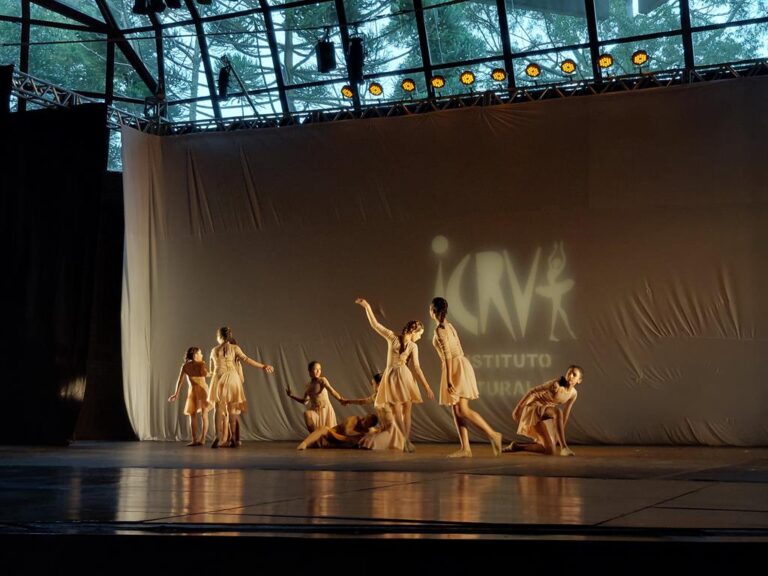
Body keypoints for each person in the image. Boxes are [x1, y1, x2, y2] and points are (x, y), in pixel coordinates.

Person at [355, 298, 434, 452]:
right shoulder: (411, 345)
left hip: (392, 375)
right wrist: (427, 387)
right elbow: (417, 368)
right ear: (414, 331)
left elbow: (375, 325)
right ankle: (405, 440)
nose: (420, 337)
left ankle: (404, 440)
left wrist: (367, 307)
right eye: (420, 334)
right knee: (406, 410)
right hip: (403, 376)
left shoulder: (393, 337)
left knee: (399, 410)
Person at [430, 297, 502, 457]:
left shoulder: (440, 330)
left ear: (433, 311)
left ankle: (493, 434)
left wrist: (449, 379)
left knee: (462, 409)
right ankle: (465, 448)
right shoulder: (448, 326)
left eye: (430, 309)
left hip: (456, 367)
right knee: (456, 410)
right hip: (459, 364)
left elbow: (448, 355)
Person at [208, 326, 274, 448]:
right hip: (232, 378)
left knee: (218, 408)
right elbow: (246, 359)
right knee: (232, 410)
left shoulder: (213, 350)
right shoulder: (234, 348)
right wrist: (263, 366)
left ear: (219, 337)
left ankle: (218, 436)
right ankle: (233, 438)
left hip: (218, 377)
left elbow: (212, 370)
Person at [503, 365, 583, 456]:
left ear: (579, 380)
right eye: (569, 372)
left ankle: (516, 447)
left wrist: (559, 434)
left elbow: (566, 414)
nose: (570, 376)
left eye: (574, 374)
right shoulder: (556, 384)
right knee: (557, 412)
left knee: (550, 450)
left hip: (546, 412)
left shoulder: (574, 394)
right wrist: (518, 408)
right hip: (533, 407)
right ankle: (564, 447)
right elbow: (532, 391)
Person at [342, 373, 405, 451]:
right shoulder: (375, 396)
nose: (372, 386)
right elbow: (363, 401)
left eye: (373, 384)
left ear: (378, 384)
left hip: (392, 430)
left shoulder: (390, 397)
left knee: (370, 443)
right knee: (363, 440)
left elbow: (399, 413)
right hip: (383, 429)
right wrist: (348, 401)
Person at [168, 347, 211, 446]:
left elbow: (180, 381)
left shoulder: (185, 366)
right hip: (203, 391)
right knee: (204, 415)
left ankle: (195, 439)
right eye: (200, 354)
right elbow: (205, 374)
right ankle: (202, 438)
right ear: (195, 355)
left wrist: (176, 394)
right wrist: (212, 373)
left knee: (193, 416)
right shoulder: (201, 364)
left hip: (193, 391)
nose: (202, 355)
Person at [286, 361, 345, 432]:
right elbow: (304, 402)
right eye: (315, 369)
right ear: (310, 371)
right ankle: (315, 437)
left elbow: (332, 391)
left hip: (326, 410)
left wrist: (340, 399)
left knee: (329, 435)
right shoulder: (309, 386)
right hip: (316, 412)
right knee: (307, 414)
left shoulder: (322, 380)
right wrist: (291, 395)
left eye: (319, 369)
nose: (318, 371)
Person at [297, 414, 380, 450]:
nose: (362, 421)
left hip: (337, 443)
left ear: (369, 426)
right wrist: (362, 433)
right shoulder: (354, 419)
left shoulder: (368, 430)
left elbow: (377, 431)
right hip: (332, 435)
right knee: (324, 428)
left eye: (365, 422)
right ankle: (304, 444)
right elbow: (347, 431)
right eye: (363, 418)